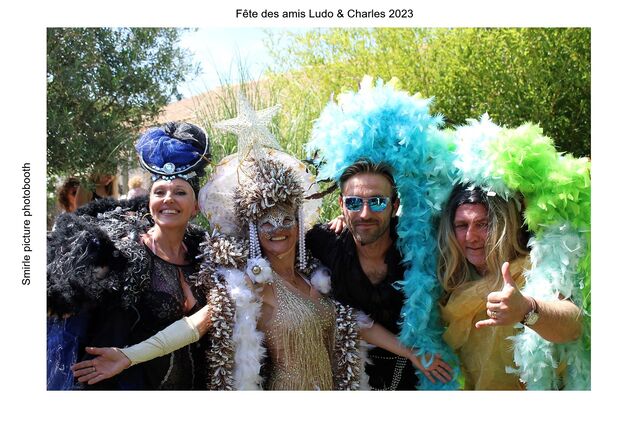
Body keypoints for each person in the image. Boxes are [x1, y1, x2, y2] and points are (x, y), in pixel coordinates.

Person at [70, 95, 453, 390]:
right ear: (252, 229)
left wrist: (413, 353)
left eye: (286, 219)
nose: (277, 230)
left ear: (298, 224)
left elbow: (354, 322)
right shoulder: (249, 284)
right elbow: (194, 326)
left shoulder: (313, 275)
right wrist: (129, 356)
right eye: (266, 222)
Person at [304, 77, 460, 390]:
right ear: (341, 205)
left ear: (395, 204)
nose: (365, 214)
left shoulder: (422, 246)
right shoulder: (321, 242)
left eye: (377, 202)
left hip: (417, 377)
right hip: (349, 377)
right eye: (354, 203)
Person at [47, 121, 211, 390]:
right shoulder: (124, 256)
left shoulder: (205, 255)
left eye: (180, 192)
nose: (168, 199)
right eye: (159, 192)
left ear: (196, 207)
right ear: (150, 202)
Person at [437, 115, 591, 390]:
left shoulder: (533, 268)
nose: (471, 237)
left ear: (504, 225)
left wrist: (526, 309)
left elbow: (572, 324)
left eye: (483, 224)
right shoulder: (449, 279)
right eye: (462, 225)